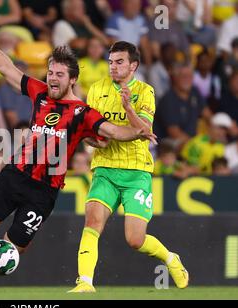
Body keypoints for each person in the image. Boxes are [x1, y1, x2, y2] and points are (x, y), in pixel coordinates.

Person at [0, 15, 156, 293]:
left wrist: (139, 130)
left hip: (44, 191)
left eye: (59, 74)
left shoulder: (83, 113)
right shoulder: (39, 93)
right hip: (15, 176)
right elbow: (7, 69)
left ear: (72, 79)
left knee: (14, 246)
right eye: (50, 72)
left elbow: (115, 132)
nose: (52, 78)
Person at [69, 41, 189, 293]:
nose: (113, 66)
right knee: (92, 221)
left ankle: (170, 258)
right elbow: (90, 133)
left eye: (119, 62)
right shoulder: (96, 90)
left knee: (135, 240)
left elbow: (144, 131)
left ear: (133, 65)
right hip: (105, 167)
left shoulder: (145, 91)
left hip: (136, 171)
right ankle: (85, 282)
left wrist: (128, 108)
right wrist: (92, 140)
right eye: (111, 62)